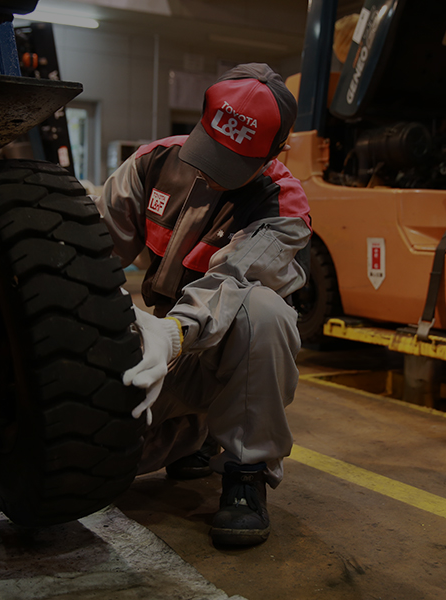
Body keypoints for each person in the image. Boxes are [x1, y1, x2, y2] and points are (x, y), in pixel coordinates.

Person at [94, 63, 311, 547]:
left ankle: (245, 473)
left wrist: (170, 333)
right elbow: (90, 253)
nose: (212, 174)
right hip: (160, 349)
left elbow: (233, 280)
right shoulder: (153, 163)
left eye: (233, 163)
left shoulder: (284, 208)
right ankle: (192, 435)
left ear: (275, 154)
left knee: (265, 312)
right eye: (211, 151)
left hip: (213, 355)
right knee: (90, 454)